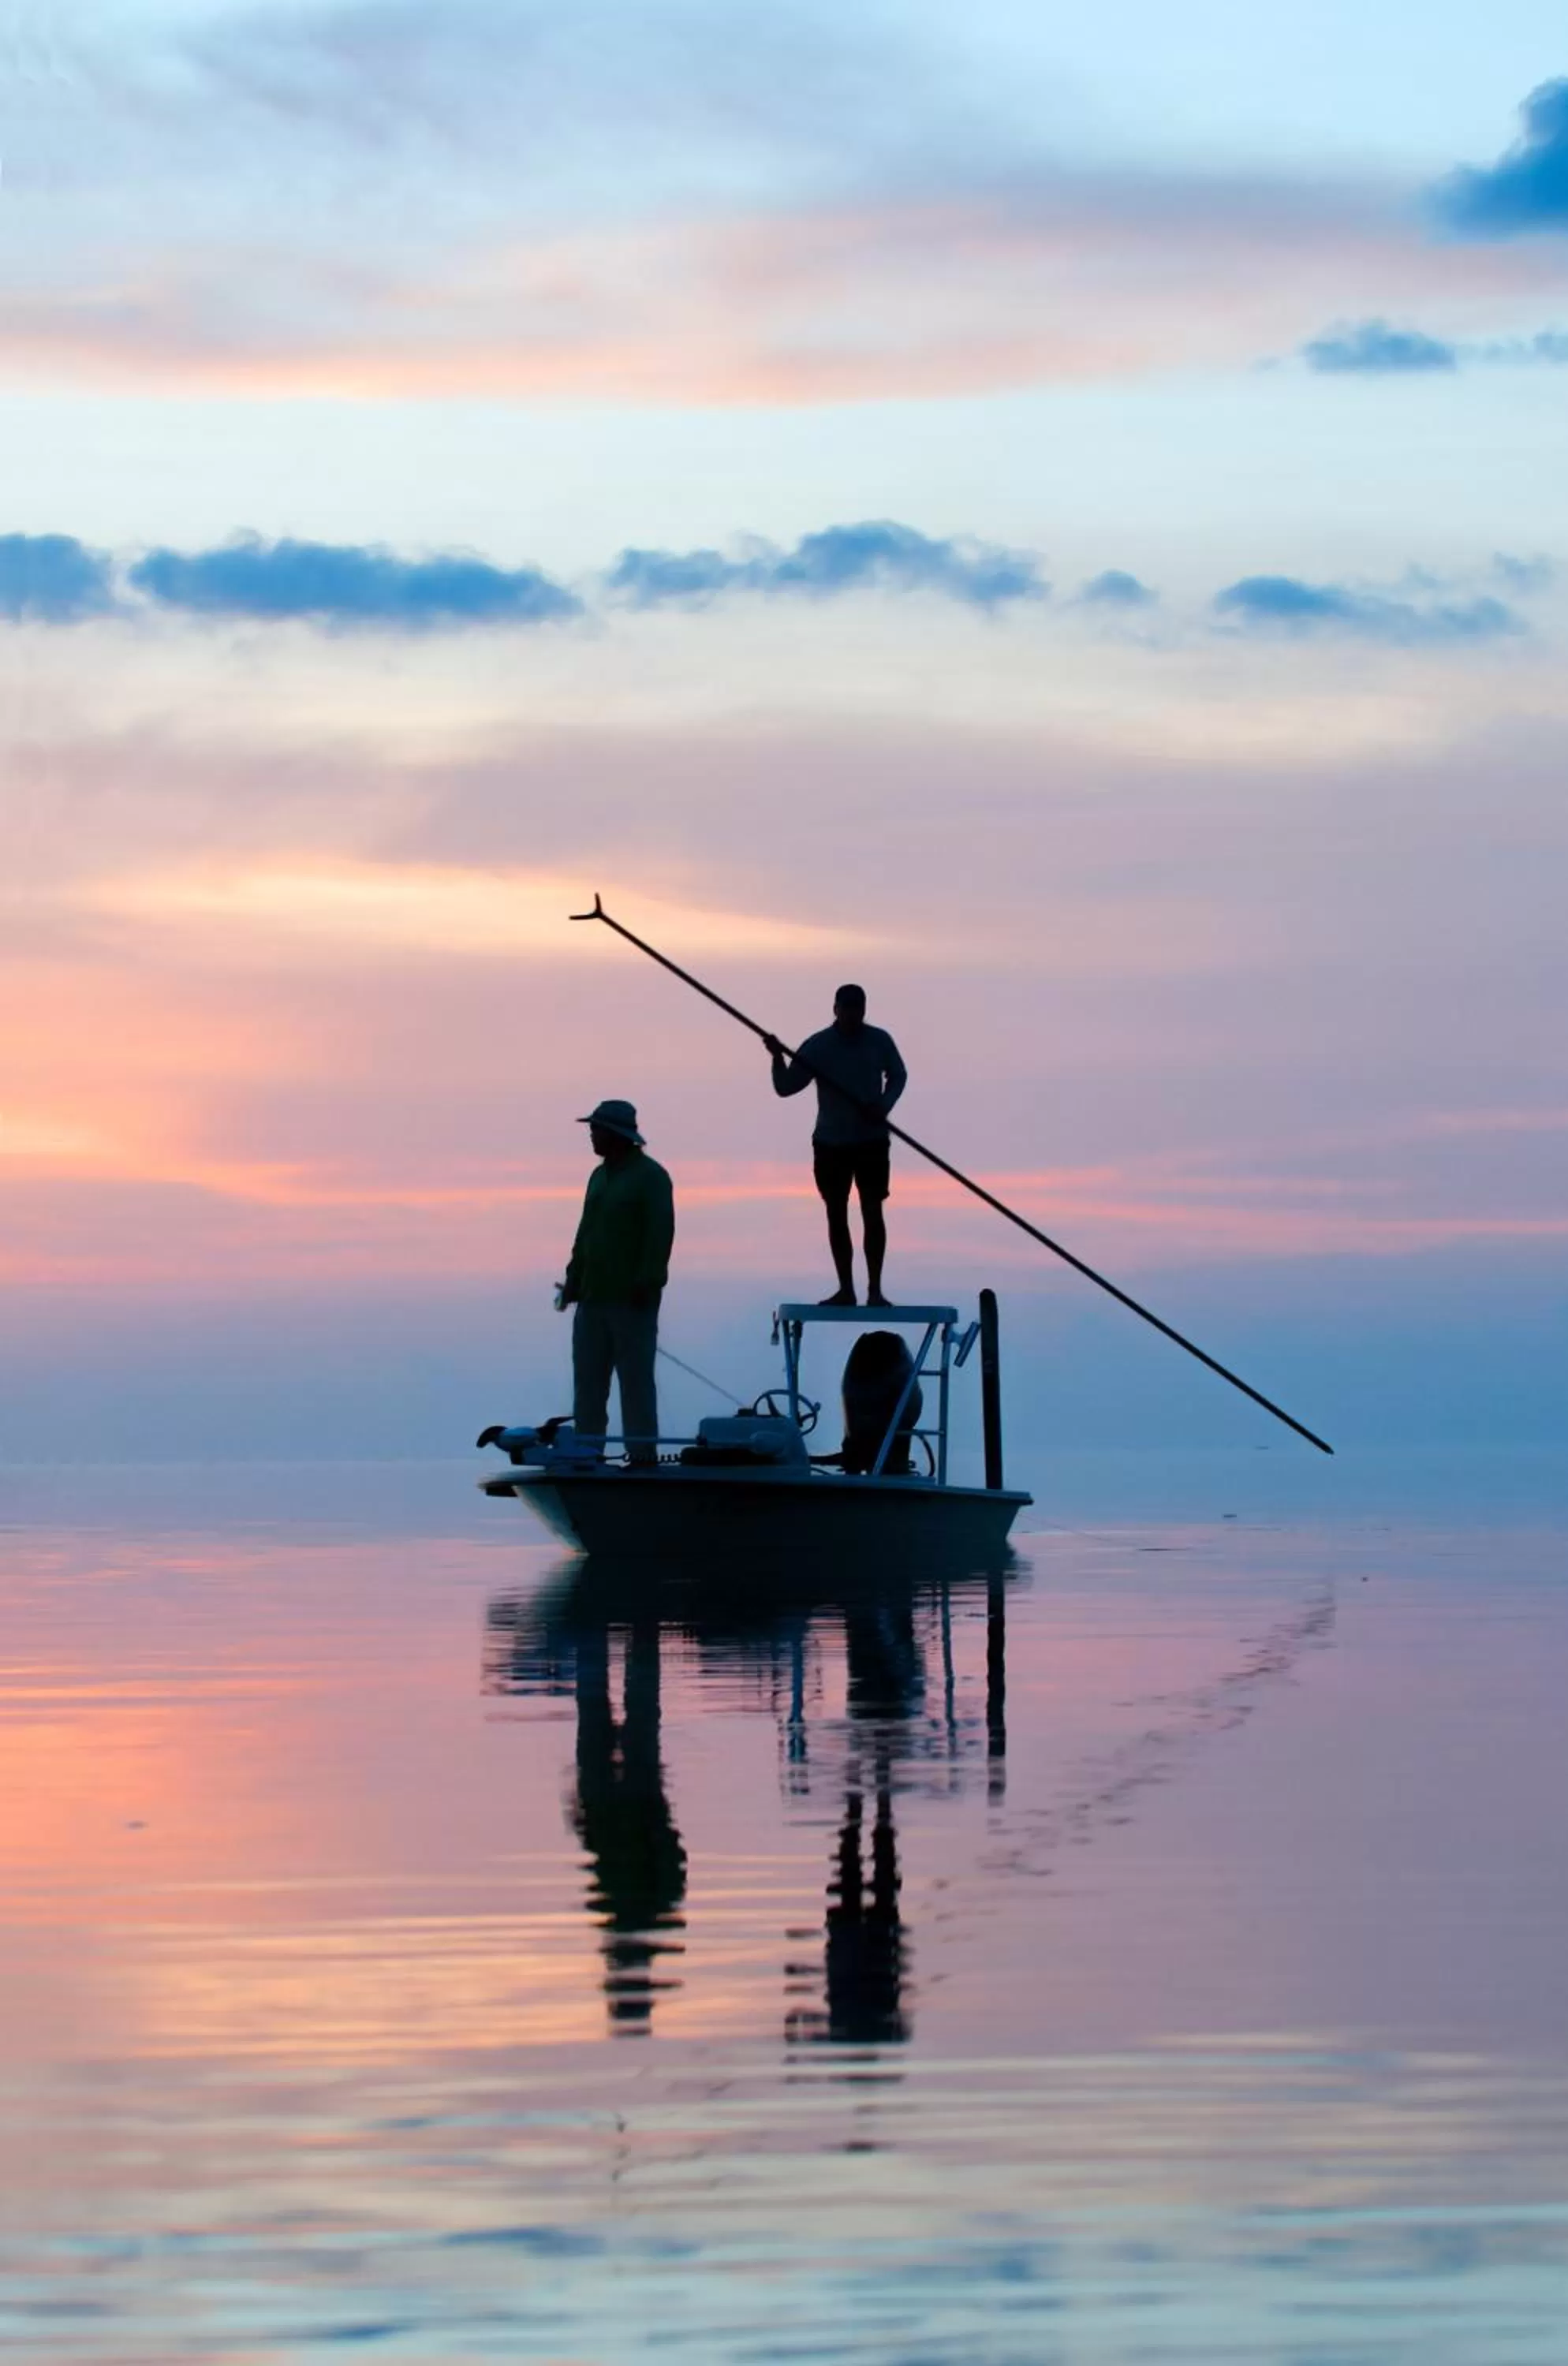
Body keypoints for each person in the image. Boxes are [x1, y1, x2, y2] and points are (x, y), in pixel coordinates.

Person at [765, 986, 907, 1308]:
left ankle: (874, 1291)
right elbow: (786, 1087)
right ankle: (846, 1289)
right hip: (831, 1144)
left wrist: (884, 1105)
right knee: (836, 1213)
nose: (854, 1014)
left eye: (859, 1008)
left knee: (872, 1211)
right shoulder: (818, 1047)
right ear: (836, 1009)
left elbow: (898, 1075)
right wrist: (776, 1057)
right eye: (848, 1008)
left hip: (871, 1141)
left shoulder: (879, 1041)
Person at [558, 1099, 674, 1465]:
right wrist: (573, 1279)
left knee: (635, 1381)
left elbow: (660, 1233)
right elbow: (585, 1232)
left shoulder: (652, 1177)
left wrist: (648, 1281)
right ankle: (589, 1451)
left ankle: (642, 1455)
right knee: (589, 1383)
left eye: (596, 1129)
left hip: (633, 1300)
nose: (591, 1135)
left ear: (617, 1134)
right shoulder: (598, 1177)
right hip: (592, 1299)